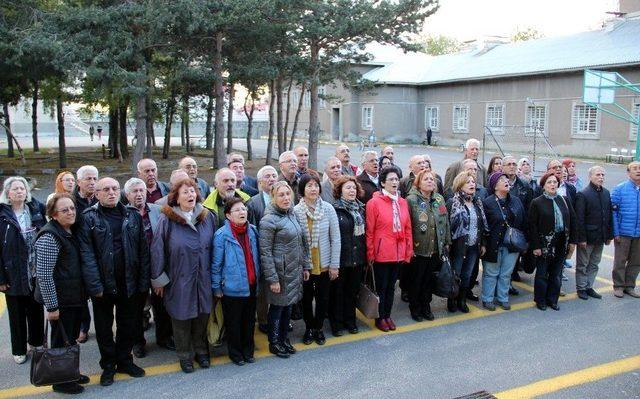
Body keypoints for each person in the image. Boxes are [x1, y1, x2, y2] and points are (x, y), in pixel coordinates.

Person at [77, 177, 149, 386]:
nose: (111, 192)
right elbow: (87, 254)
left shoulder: (132, 215)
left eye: (115, 188)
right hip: (103, 285)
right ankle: (108, 365)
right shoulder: (89, 217)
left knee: (128, 324)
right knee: (104, 328)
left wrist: (143, 282)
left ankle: (125, 360)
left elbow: (143, 251)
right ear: (96, 194)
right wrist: (95, 285)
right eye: (105, 189)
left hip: (129, 282)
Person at [150, 178, 217, 373]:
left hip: (203, 278)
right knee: (181, 319)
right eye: (185, 192)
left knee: (202, 316)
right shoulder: (167, 219)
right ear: (176, 198)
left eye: (192, 191)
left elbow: (215, 248)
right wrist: (159, 280)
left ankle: (201, 351)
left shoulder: (207, 217)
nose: (190, 195)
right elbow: (157, 250)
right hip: (179, 278)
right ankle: (185, 355)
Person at [34, 193, 91, 394]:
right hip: (60, 302)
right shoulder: (50, 236)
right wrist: (52, 306)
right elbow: (44, 275)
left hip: (73, 297)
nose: (70, 212)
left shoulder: (69, 231)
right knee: (60, 343)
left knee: (70, 339)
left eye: (72, 208)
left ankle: (70, 372)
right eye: (64, 210)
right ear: (54, 214)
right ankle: (62, 382)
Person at [259, 181, 310, 358]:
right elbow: (265, 252)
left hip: (293, 270)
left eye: (288, 194)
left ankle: (283, 339)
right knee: (277, 309)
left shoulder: (292, 215)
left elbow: (303, 243)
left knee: (288, 307)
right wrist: (272, 279)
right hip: (280, 274)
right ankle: (274, 342)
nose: (286, 198)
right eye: (281, 195)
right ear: (273, 198)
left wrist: (306, 265)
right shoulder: (268, 220)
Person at [124, 178, 173, 358]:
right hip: (136, 270)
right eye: (134, 191)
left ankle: (164, 337)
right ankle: (138, 342)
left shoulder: (159, 211)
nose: (139, 194)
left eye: (141, 191)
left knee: (161, 305)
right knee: (137, 308)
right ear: (127, 195)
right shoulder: (124, 214)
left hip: (157, 265)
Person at [0, 176, 46, 364]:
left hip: (35, 270)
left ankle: (36, 343)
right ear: (7, 194)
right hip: (13, 272)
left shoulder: (36, 209)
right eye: (16, 189)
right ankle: (19, 349)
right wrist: (1, 278)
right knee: (16, 314)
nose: (20, 191)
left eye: (23, 188)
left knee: (36, 309)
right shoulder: (2, 215)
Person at [212, 198, 260, 366]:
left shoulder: (253, 231)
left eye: (244, 209)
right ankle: (236, 353)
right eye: (237, 210)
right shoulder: (221, 235)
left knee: (248, 321)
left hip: (251, 284)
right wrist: (216, 287)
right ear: (228, 215)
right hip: (232, 288)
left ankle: (248, 351)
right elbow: (216, 264)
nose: (242, 213)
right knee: (234, 323)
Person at [294, 173, 340, 345]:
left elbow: (335, 238)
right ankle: (309, 328)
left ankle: (319, 327)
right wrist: (302, 265)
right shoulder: (296, 211)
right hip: (306, 265)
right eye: (309, 186)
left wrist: (334, 265)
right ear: (302, 190)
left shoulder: (328, 208)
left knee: (323, 298)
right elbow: (296, 241)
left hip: (325, 263)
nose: (313, 189)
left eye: (316, 185)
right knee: (306, 299)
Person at [365, 166, 413, 332]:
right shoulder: (374, 203)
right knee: (381, 287)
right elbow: (370, 231)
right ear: (383, 183)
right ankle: (380, 317)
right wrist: (370, 253)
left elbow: (407, 228)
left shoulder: (403, 202)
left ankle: (387, 315)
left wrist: (408, 250)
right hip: (381, 253)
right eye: (391, 179)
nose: (395, 182)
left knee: (392, 287)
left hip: (398, 253)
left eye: (396, 179)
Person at [406, 170, 450, 321]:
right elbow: (408, 226)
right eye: (426, 179)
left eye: (432, 179)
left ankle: (426, 306)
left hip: (436, 248)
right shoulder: (411, 200)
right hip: (419, 249)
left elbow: (446, 221)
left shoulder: (439, 199)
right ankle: (415, 308)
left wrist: (447, 242)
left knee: (428, 281)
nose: (431, 181)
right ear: (418, 182)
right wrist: (409, 247)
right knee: (416, 280)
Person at [529, 172, 577, 311]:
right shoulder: (537, 202)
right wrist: (536, 246)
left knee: (556, 273)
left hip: (561, 241)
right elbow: (532, 226)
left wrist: (573, 241)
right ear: (543, 185)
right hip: (544, 243)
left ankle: (553, 299)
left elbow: (573, 220)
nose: (552, 185)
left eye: (555, 182)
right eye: (549, 182)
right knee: (542, 273)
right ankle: (540, 300)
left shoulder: (564, 200)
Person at [481, 173, 525, 311]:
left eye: (506, 179)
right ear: (494, 186)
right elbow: (483, 225)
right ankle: (487, 299)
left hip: (512, 245)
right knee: (491, 273)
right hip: (493, 244)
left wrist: (525, 243)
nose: (506, 181)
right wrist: (483, 243)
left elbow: (524, 222)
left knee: (506, 273)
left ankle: (502, 298)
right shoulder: (487, 202)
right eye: (501, 180)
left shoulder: (516, 201)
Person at [446, 171, 488, 313]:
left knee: (467, 275)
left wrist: (482, 243)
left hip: (473, 246)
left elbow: (481, 225)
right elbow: (447, 226)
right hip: (458, 247)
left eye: (473, 182)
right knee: (456, 274)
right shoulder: (453, 202)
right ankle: (452, 299)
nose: (472, 184)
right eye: (468, 182)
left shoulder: (477, 202)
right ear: (460, 185)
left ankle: (462, 300)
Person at [329, 176, 366, 335]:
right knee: (337, 293)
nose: (352, 191)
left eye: (354, 188)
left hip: (357, 259)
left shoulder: (360, 209)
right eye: (348, 188)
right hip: (340, 259)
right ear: (340, 191)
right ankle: (336, 323)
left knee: (352, 292)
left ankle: (350, 320)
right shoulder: (333, 210)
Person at [246, 165, 278, 334]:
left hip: (280, 252)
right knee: (264, 290)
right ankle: (264, 320)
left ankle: (278, 318)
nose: (271, 179)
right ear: (259, 182)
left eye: (274, 175)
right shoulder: (253, 203)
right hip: (262, 252)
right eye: (267, 176)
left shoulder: (284, 197)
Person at [574, 166, 612, 300]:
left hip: (601, 236)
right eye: (598, 175)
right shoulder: (583, 194)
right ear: (590, 177)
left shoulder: (606, 193)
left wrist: (609, 235)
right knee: (583, 264)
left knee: (594, 263)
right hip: (588, 237)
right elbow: (580, 219)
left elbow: (609, 215)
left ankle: (589, 286)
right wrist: (582, 238)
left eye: (602, 175)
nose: (601, 177)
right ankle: (581, 288)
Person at [73, 165, 98, 344]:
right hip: (77, 252)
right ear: (78, 182)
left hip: (99, 251)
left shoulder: (101, 197)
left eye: (95, 179)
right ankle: (83, 326)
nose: (92, 182)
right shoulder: (71, 201)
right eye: (88, 179)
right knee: (81, 293)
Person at [610, 161, 640, 298]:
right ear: (628, 172)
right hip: (623, 232)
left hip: (638, 234)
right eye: (635, 168)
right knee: (620, 261)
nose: (638, 171)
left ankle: (630, 286)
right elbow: (613, 212)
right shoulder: (619, 189)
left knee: (636, 261)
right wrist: (616, 232)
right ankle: (618, 286)